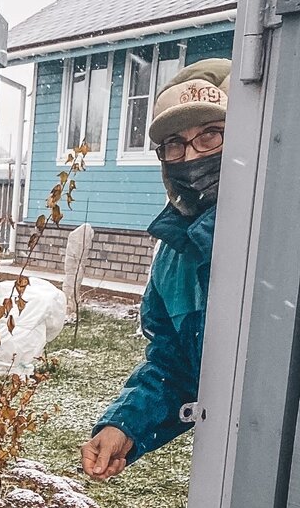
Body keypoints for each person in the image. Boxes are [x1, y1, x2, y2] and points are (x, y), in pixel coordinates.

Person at [81, 59, 230, 482]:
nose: (192, 156)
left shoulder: (279, 235)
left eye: (211, 135)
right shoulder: (174, 252)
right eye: (174, 144)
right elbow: (175, 363)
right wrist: (124, 425)